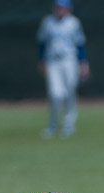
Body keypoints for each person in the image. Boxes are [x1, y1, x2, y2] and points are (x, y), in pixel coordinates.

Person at [37, 0, 89, 138]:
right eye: (58, 7)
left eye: (63, 7)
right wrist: (41, 61)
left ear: (68, 8)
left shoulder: (73, 22)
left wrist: (83, 62)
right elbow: (42, 43)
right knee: (55, 94)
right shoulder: (47, 22)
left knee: (70, 91)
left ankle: (68, 124)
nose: (60, 10)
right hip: (53, 61)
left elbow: (80, 44)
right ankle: (53, 125)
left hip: (69, 60)